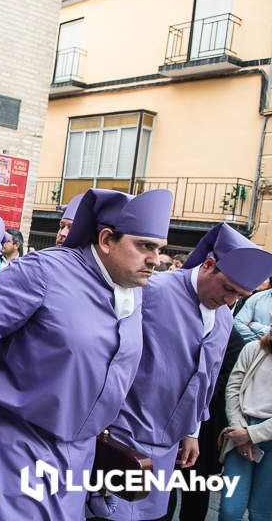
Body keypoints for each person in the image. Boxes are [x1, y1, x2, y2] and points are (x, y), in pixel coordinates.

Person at [0, 187, 174, 520]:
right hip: (16, 438)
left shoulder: (133, 290)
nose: (154, 259)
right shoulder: (43, 271)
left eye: (159, 249)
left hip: (78, 451)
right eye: (145, 246)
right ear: (106, 240)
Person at [97, 223, 272, 520]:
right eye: (228, 288)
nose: (230, 301)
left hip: (169, 447)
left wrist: (193, 431)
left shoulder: (224, 318)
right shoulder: (151, 290)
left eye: (240, 296)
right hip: (123, 434)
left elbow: (208, 376)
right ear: (208, 264)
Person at [218, 332, 272, 521]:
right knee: (229, 510)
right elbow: (232, 389)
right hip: (241, 429)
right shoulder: (253, 349)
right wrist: (240, 431)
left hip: (264, 436)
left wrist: (250, 434)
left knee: (262, 513)